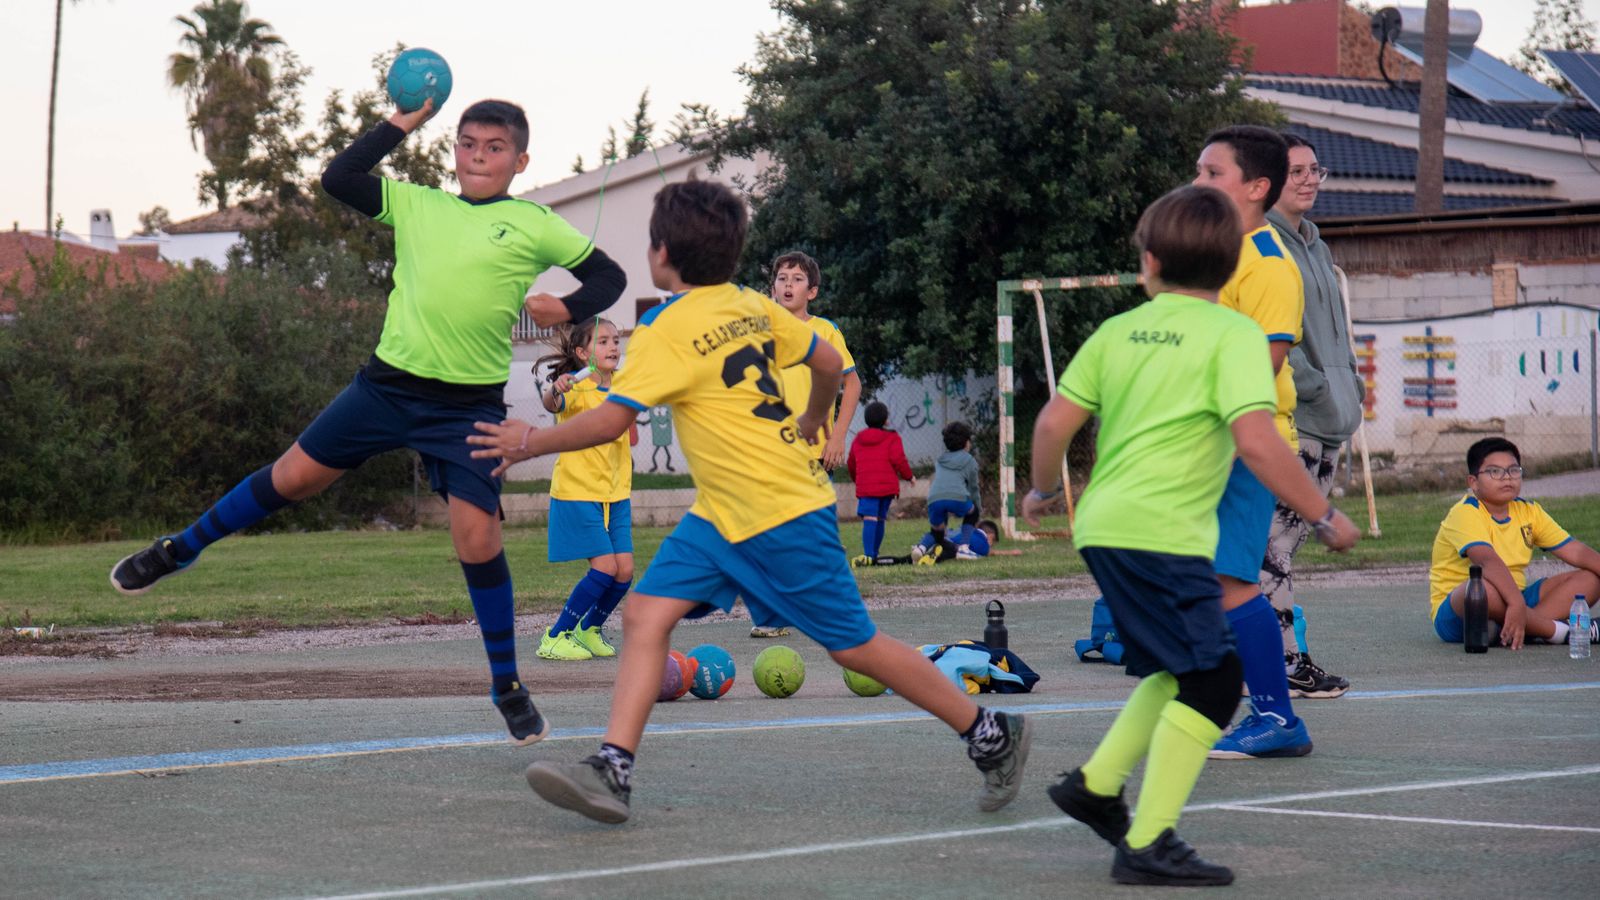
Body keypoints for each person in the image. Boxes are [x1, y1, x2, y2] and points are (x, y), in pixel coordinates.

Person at [468, 178, 1032, 824]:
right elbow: (827, 363)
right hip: (721, 513)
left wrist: (529, 439)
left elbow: (608, 422)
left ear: (660, 255)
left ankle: (991, 734)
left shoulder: (663, 329)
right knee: (645, 614)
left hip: (781, 511)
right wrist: (817, 419)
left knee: (857, 648)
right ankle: (613, 770)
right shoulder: (757, 307)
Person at [108, 97, 626, 745]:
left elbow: (610, 275)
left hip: (466, 409)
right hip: (387, 388)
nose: (478, 156)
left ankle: (507, 685)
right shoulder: (418, 204)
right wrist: (400, 122)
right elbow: (338, 180)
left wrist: (566, 306)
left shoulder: (533, 223)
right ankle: (177, 550)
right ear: (453, 151)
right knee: (293, 478)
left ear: (520, 160)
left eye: (494, 147)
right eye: (466, 143)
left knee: (478, 537)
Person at [1024, 185, 1358, 887]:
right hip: (1164, 532)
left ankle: (1095, 784)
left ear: (1148, 263)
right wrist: (1322, 513)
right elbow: (1258, 442)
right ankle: (1147, 840)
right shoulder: (1233, 335)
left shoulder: (1117, 330)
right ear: (1234, 263)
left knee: (1180, 669)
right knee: (1214, 682)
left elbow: (1054, 422)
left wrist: (1045, 489)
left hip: (1107, 525)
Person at [1191, 125, 1315, 760]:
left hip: (1243, 444)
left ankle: (1277, 717)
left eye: (1213, 174)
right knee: (1207, 583)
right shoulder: (1213, 253)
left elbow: (1260, 365)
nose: (1199, 183)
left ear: (1256, 187)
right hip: (1209, 441)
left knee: (1234, 585)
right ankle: (1216, 706)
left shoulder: (1268, 265)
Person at [1261, 132, 1361, 698]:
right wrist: (1317, 386)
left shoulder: (1316, 244)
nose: (1307, 180)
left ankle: (1266, 657)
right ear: (1268, 181)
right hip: (1294, 422)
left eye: (1313, 170)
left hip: (1331, 420)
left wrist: (1349, 378)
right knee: (1271, 552)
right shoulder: (1264, 248)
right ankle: (1284, 664)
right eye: (1294, 171)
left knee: (1280, 551)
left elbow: (1334, 330)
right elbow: (1277, 336)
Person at [750, 250, 864, 636]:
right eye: (781, 278)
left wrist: (838, 435)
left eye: (797, 279)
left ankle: (833, 609)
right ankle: (774, 615)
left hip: (813, 452)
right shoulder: (758, 330)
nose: (787, 284)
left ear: (811, 291)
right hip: (767, 451)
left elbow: (852, 383)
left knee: (812, 535)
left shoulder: (826, 331)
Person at [1429, 437, 1600, 648]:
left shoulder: (1529, 511)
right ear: (1473, 482)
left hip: (1517, 599)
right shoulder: (1465, 512)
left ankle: (1516, 629)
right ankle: (1558, 632)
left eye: (1513, 470)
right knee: (1479, 588)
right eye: (1494, 472)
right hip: (1462, 607)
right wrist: (1515, 603)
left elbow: (1576, 551)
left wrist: (1518, 603)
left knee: (1590, 579)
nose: (1506, 478)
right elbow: (1486, 561)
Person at [533, 317, 633, 661]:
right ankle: (555, 636)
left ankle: (589, 630)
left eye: (616, 341)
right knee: (605, 567)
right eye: (603, 341)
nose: (613, 347)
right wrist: (556, 389)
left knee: (624, 572)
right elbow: (551, 403)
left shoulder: (624, 386)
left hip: (616, 493)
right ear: (581, 352)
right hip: (579, 491)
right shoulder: (575, 387)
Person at [846, 400, 915, 566]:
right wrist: (909, 476)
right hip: (887, 487)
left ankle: (869, 555)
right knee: (880, 518)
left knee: (870, 518)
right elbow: (899, 460)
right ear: (886, 420)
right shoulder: (892, 437)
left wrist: (858, 480)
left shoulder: (858, 439)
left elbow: (851, 462)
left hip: (867, 487)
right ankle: (874, 555)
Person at [914, 422, 981, 564]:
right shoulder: (970, 460)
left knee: (937, 531)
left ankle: (920, 548)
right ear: (966, 443)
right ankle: (963, 548)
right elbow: (973, 488)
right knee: (972, 512)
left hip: (934, 499)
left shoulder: (940, 460)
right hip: (957, 498)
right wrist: (977, 506)